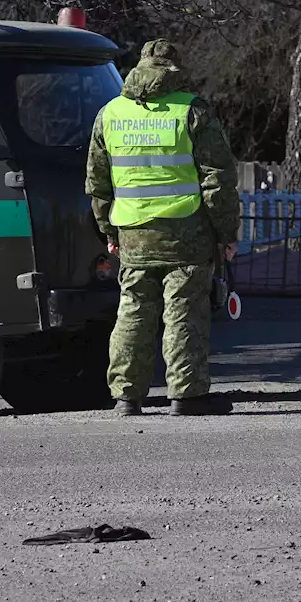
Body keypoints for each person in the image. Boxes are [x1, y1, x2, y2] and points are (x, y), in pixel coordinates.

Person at [85, 39, 239, 416]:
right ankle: (187, 397)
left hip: (133, 235)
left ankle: (126, 397)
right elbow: (217, 180)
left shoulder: (110, 114)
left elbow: (97, 183)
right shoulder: (191, 111)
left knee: (133, 312)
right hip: (186, 234)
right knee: (184, 313)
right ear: (175, 71)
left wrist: (109, 232)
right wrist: (227, 234)